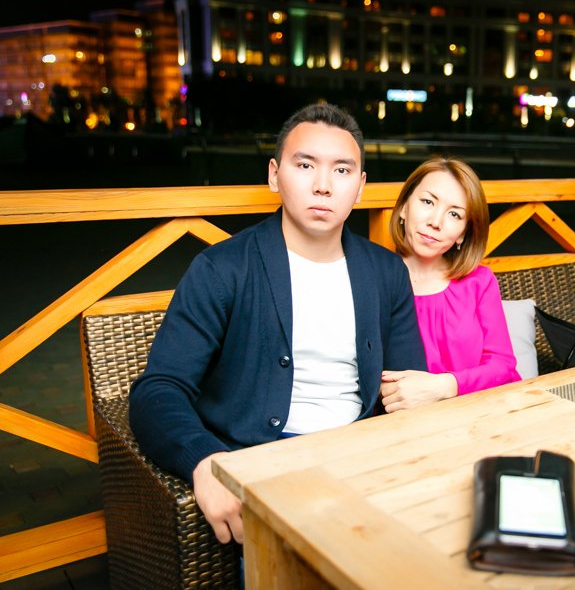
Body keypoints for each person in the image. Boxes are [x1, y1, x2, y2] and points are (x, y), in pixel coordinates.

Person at [129, 103, 427, 545]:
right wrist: (205, 462)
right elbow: (158, 390)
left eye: (342, 170)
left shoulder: (385, 272)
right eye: (305, 165)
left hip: (361, 458)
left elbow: (406, 385)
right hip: (262, 465)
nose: (323, 185)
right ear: (274, 175)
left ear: (360, 187)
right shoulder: (223, 268)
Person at [380, 157, 520, 412]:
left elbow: (502, 365)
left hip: (485, 411)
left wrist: (444, 386)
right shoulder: (375, 279)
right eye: (427, 202)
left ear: (463, 233)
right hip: (403, 421)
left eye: (454, 214)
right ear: (403, 208)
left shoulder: (479, 282)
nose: (435, 221)